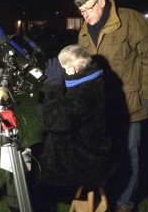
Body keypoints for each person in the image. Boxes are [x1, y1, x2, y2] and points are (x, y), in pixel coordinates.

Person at [74, 0, 148, 212]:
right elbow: (84, 66)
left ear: (102, 1)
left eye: (88, 9)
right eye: (81, 12)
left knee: (128, 154)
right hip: (100, 106)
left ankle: (125, 202)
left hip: (129, 102)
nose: (85, 15)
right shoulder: (85, 30)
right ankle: (106, 196)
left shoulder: (129, 19)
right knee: (104, 153)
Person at [28, 44, 112, 211]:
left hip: (84, 163)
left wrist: (53, 86)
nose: (60, 74)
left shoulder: (85, 95)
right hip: (87, 149)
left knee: (29, 171)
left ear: (73, 69)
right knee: (33, 151)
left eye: (62, 70)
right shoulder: (93, 82)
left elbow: (52, 121)